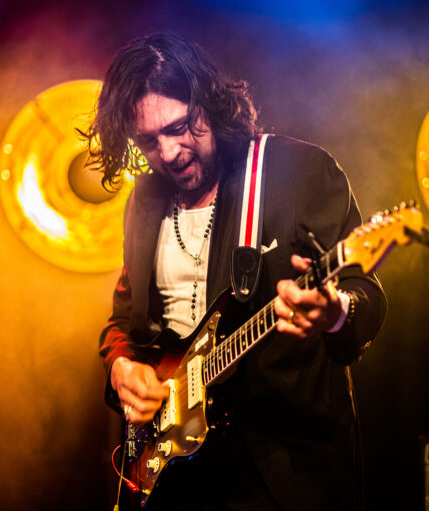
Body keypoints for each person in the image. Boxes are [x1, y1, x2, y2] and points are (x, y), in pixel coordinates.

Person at [91, 32, 387, 510]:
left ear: (209, 104)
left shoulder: (297, 172)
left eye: (179, 127)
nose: (169, 152)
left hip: (282, 470)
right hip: (174, 471)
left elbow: (363, 293)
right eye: (148, 141)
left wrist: (335, 311)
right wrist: (121, 367)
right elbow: (123, 322)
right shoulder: (143, 200)